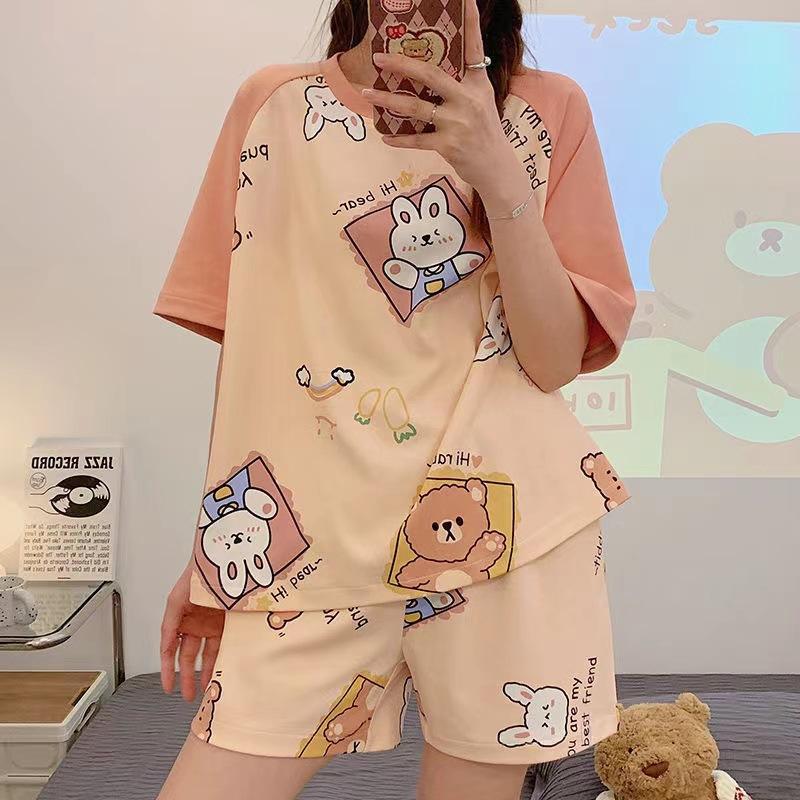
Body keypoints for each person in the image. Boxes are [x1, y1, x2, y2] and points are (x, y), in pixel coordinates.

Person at [153, 0, 636, 797]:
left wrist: (497, 171)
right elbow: (254, 359)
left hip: (502, 537)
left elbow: (553, 362)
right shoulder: (272, 107)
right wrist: (214, 558)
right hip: (307, 547)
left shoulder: (549, 111)